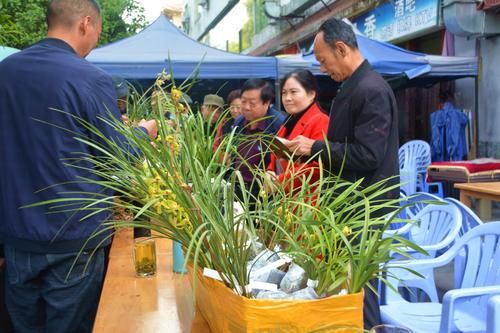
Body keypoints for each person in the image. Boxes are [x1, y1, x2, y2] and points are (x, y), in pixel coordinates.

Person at [0, 1, 157, 332]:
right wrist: (144, 132)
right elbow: (119, 154)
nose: (96, 39)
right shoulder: (90, 78)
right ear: (86, 23)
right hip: (74, 239)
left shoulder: (6, 72)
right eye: (98, 31)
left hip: (17, 236)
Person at [285, 18, 399, 329]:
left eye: (323, 60)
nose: (323, 69)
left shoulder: (372, 89)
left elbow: (368, 154)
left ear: (341, 48)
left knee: (362, 288)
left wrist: (315, 148)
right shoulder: (352, 86)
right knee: (347, 287)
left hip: (366, 207)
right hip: (348, 204)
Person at [266, 69, 328, 194]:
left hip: (306, 200)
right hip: (284, 197)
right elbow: (275, 155)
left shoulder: (321, 121)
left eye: (293, 92)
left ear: (311, 94)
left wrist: (280, 181)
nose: (287, 98)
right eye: (284, 93)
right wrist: (269, 172)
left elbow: (317, 167)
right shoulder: (288, 121)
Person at [232, 79, 286, 206]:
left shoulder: (278, 125)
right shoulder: (239, 122)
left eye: (252, 103)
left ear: (267, 103)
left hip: (264, 191)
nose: (246, 107)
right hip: (238, 187)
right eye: (243, 101)